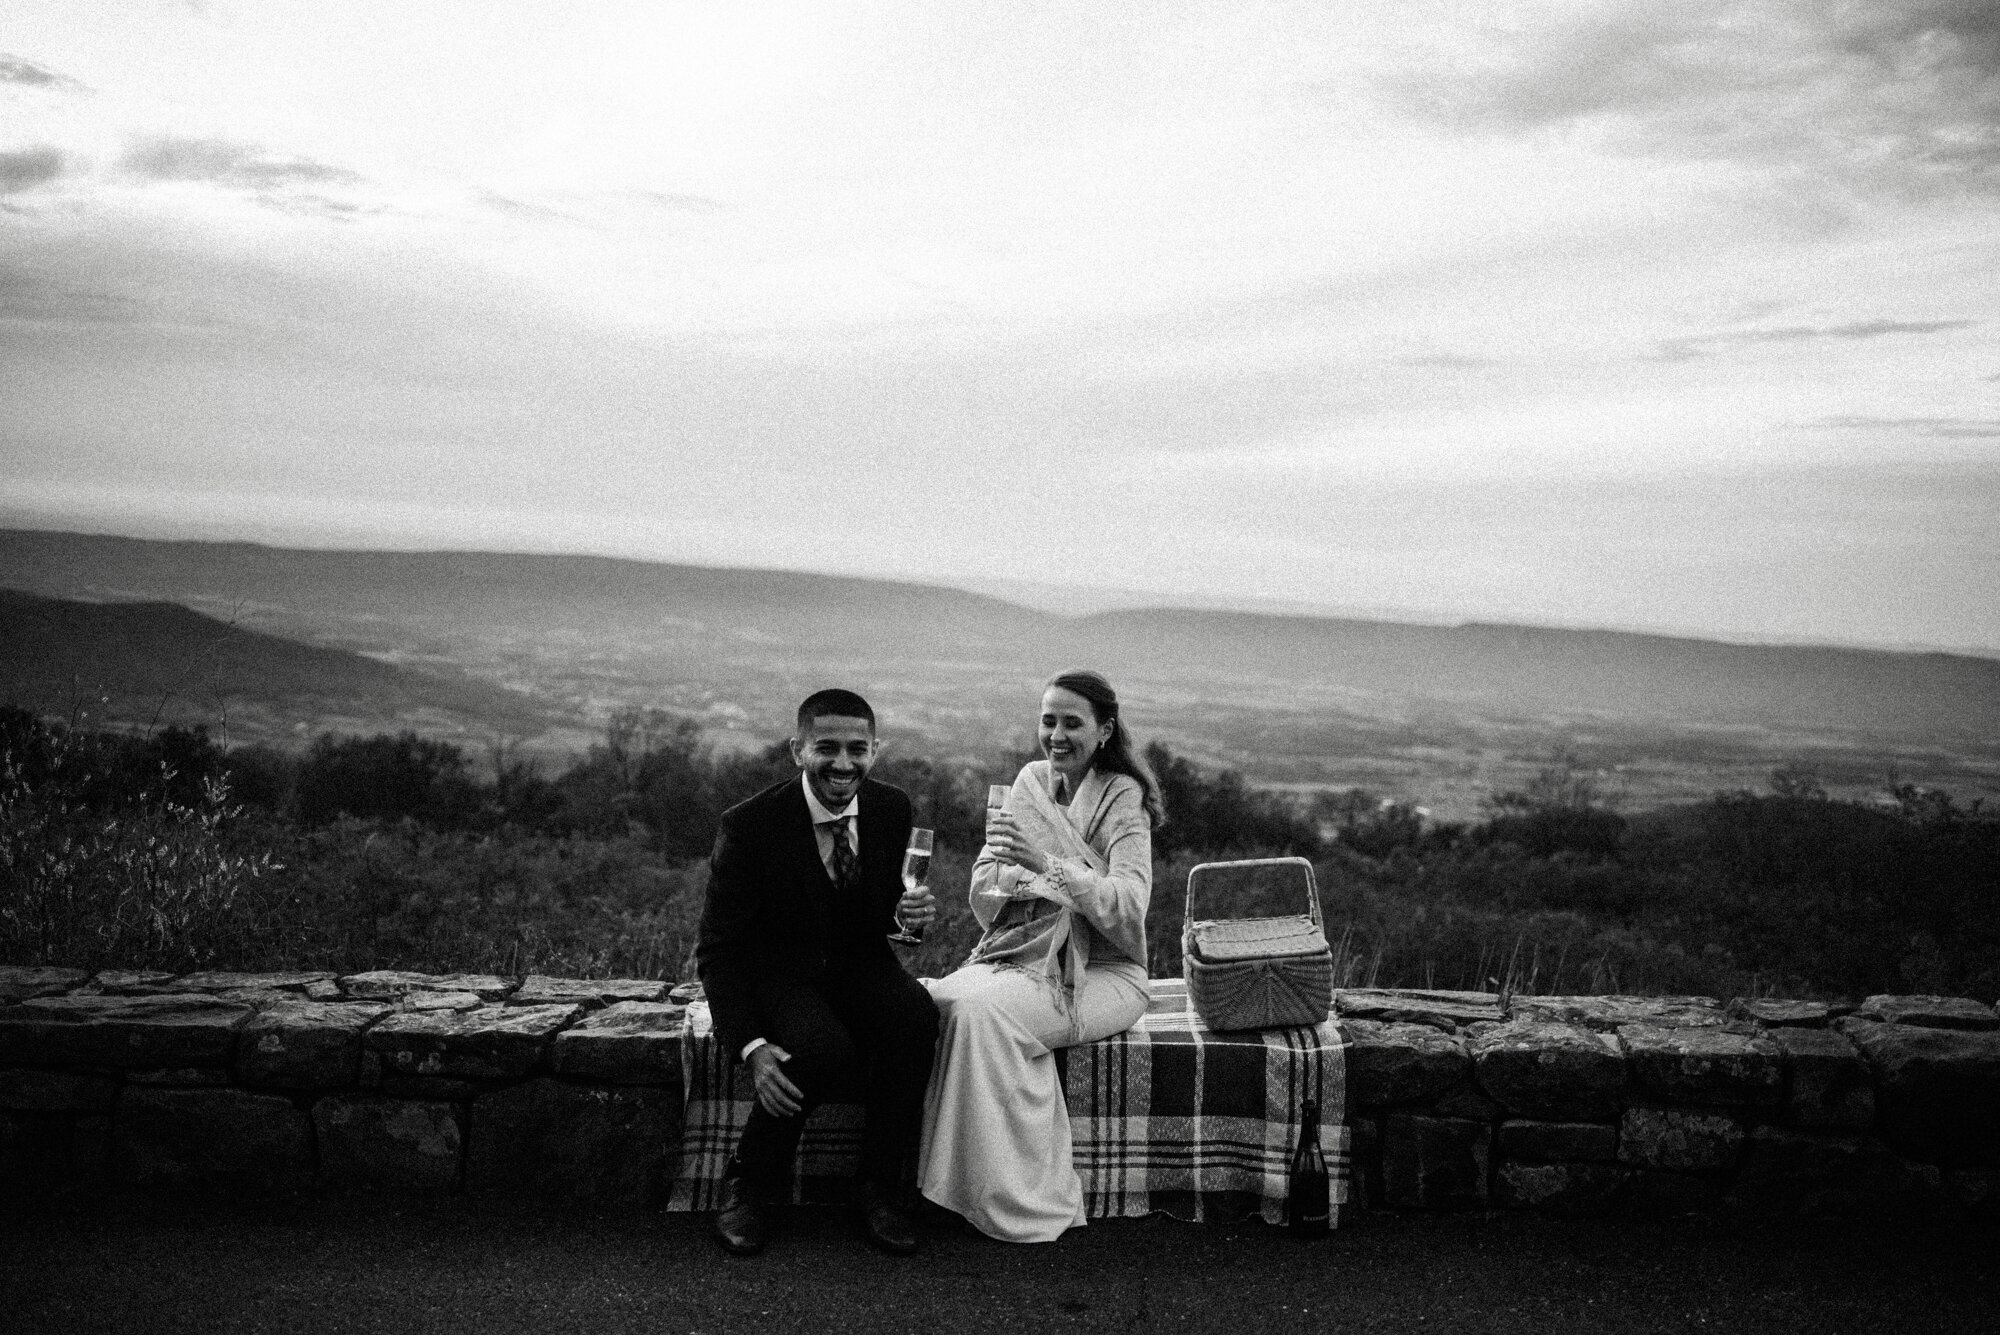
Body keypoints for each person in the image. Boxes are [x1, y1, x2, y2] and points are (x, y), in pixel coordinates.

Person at [918, 669, 1166, 1242]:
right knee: (944, 1000)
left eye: (1072, 722)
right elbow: (984, 882)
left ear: (1105, 730)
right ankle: (953, 1185)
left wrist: (1044, 865)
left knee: (982, 1013)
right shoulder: (1029, 782)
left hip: (1105, 974)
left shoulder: (1123, 799)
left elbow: (1129, 905)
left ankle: (1019, 1198)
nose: (1056, 734)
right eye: (1047, 720)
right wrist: (1030, 878)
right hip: (1023, 956)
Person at [695, 688, 940, 1257]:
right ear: (797, 750)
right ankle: (750, 1179)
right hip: (781, 975)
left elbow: (885, 919)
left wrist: (909, 918)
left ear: (875, 751)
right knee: (821, 1050)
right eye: (826, 748)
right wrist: (750, 1045)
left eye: (858, 749)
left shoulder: (892, 808)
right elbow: (719, 949)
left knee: (914, 1018)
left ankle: (878, 1184)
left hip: (859, 965)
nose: (844, 763)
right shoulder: (750, 825)